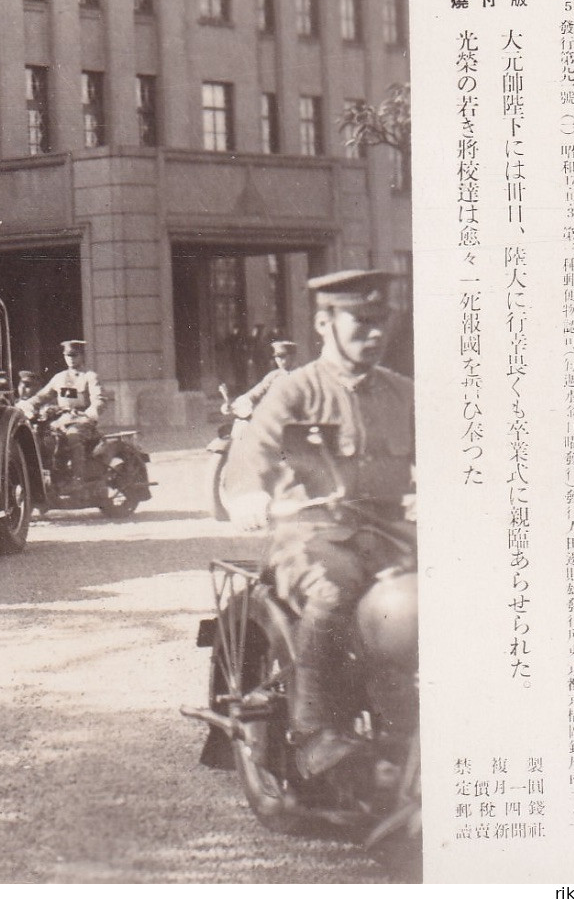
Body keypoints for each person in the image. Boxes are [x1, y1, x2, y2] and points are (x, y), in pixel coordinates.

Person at [222, 270, 415, 779]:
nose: (375, 334)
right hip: (308, 536)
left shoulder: (403, 393)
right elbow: (249, 458)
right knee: (334, 591)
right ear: (324, 323)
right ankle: (313, 731)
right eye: (361, 322)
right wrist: (248, 497)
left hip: (391, 534)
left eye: (382, 323)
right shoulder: (294, 391)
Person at [18, 339, 105, 480]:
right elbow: (42, 396)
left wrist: (92, 411)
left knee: (73, 436)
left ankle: (78, 480)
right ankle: (54, 476)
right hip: (61, 420)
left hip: (82, 420)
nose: (70, 359)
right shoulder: (59, 377)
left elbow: (99, 399)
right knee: (43, 436)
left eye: (74, 355)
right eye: (67, 356)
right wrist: (28, 404)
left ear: (82, 356)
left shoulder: (90, 377)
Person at [225, 339, 299, 420]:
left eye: (282, 356)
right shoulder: (273, 376)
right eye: (276, 357)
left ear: (293, 356)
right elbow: (255, 393)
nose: (278, 360)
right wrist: (234, 405)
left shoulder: (302, 375)